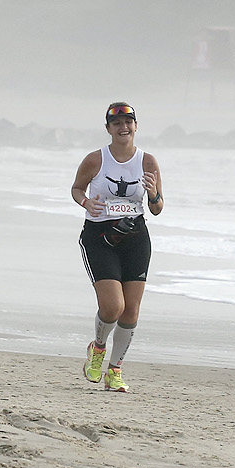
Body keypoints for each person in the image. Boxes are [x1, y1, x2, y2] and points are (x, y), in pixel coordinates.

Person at [70, 101, 164, 393]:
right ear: (109, 129)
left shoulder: (147, 161)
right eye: (117, 123)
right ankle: (97, 349)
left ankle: (115, 370)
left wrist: (152, 194)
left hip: (136, 237)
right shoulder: (95, 160)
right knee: (113, 306)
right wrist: (86, 202)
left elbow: (158, 208)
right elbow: (76, 189)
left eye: (128, 122)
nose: (124, 128)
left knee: (131, 312)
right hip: (100, 237)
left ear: (135, 126)